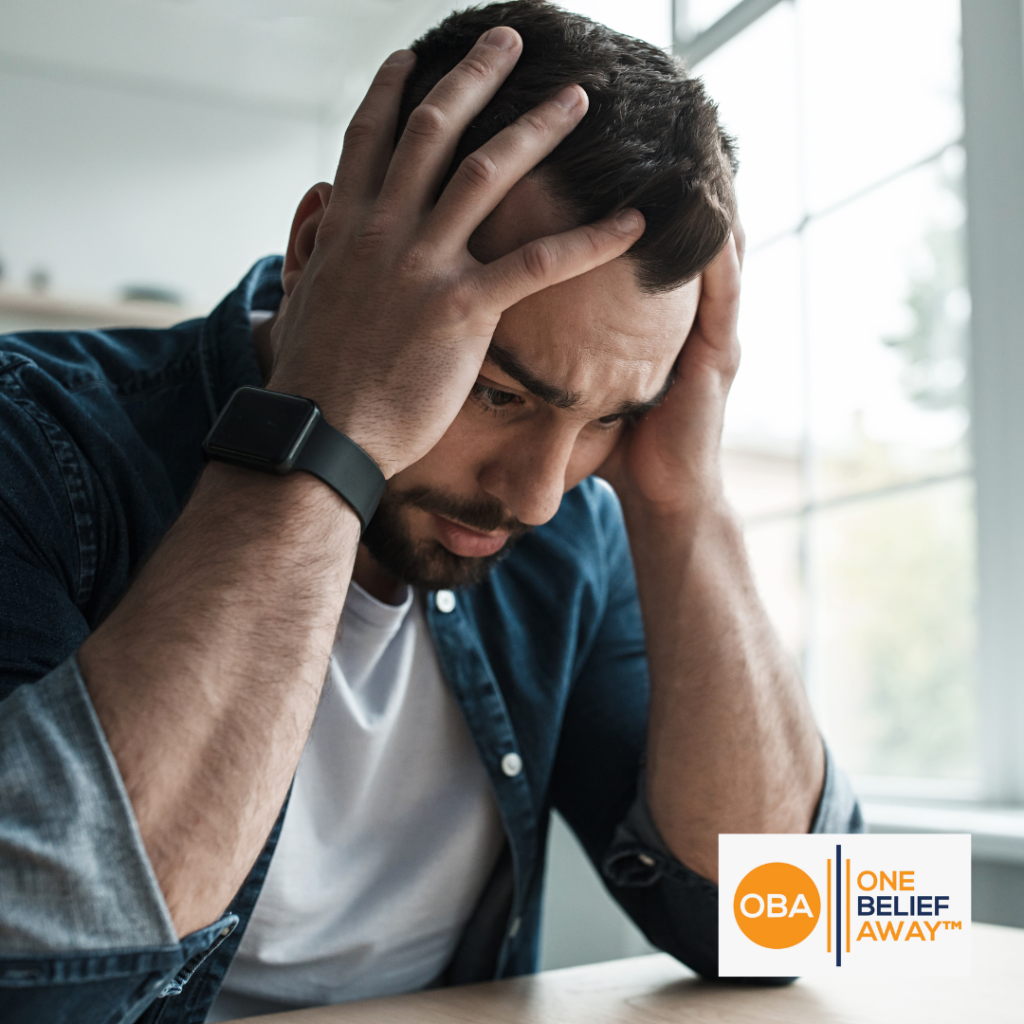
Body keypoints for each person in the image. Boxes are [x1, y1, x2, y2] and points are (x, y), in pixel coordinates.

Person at [0, 2, 861, 1022]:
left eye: (607, 419)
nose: (538, 493)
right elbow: (37, 966)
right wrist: (334, 425)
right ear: (321, 251)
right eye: (497, 391)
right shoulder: (36, 442)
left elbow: (814, 921)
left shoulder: (578, 529)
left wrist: (686, 501)